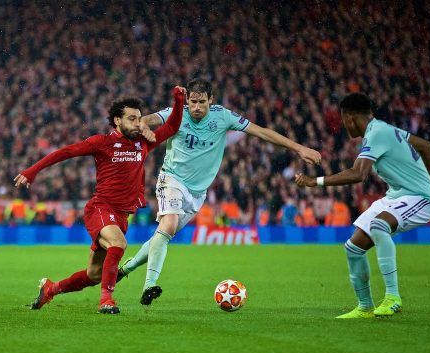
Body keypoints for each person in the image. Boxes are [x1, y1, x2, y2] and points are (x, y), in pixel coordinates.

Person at [119, 78, 322, 305]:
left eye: (202, 102)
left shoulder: (223, 116)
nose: (196, 107)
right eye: (193, 102)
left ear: (211, 100)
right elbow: (147, 119)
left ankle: (127, 268)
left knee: (164, 235)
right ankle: (150, 285)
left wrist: (299, 148)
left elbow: (262, 132)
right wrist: (145, 125)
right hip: (172, 180)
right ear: (187, 100)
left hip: (198, 192)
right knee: (167, 226)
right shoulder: (177, 112)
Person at [14, 86, 186, 314]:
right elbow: (66, 152)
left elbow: (173, 126)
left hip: (121, 215)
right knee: (119, 244)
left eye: (139, 119)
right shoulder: (102, 142)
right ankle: (107, 300)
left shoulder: (142, 142)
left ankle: (50, 289)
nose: (138, 123)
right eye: (132, 119)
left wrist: (178, 99)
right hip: (100, 208)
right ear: (117, 120)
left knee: (94, 275)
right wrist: (32, 171)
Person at [295, 92, 430, 318]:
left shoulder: (377, 133)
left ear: (349, 118)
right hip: (397, 196)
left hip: (420, 198)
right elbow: (426, 146)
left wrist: (314, 181)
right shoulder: (383, 129)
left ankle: (393, 298)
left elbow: (359, 174)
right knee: (353, 247)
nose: (344, 126)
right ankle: (365, 307)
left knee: (379, 225)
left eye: (343, 120)